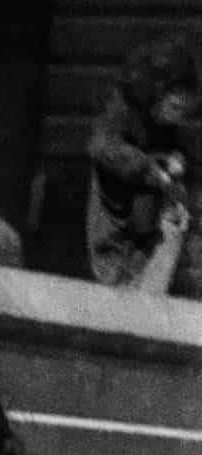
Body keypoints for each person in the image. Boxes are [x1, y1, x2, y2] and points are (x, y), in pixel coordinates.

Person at [87, 34, 202, 296]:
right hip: (114, 221)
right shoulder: (122, 107)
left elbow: (175, 155)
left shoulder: (164, 125)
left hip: (147, 230)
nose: (177, 117)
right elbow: (102, 147)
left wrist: (176, 161)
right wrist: (150, 170)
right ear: (156, 90)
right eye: (173, 107)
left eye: (183, 112)